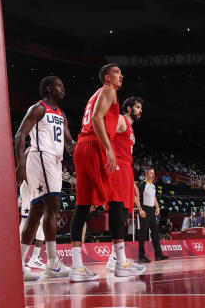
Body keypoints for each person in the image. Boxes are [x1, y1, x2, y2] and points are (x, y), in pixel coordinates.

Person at [69, 64, 143, 282]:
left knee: (82, 206)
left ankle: (77, 267)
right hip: (94, 146)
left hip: (82, 146)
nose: (122, 75)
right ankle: (119, 261)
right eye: (118, 72)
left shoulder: (95, 95)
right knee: (116, 202)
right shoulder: (108, 90)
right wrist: (109, 148)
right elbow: (96, 120)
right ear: (107, 77)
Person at [14, 76, 75, 281]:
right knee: (53, 206)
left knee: (37, 211)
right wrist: (20, 167)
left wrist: (82, 149)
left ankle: (18, 264)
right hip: (41, 156)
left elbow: (68, 142)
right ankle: (52, 263)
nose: (63, 89)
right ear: (49, 88)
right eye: (60, 85)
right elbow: (20, 135)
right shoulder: (38, 108)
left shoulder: (61, 114)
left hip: (54, 161)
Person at [107, 97, 147, 270]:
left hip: (126, 170)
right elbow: (107, 137)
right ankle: (117, 259)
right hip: (116, 166)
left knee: (124, 214)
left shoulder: (131, 130)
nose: (140, 110)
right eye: (137, 107)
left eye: (141, 108)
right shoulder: (121, 120)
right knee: (118, 212)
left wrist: (132, 183)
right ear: (129, 108)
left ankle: (114, 257)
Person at [136, 167, 168, 262]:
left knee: (155, 233)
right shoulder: (142, 184)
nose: (152, 175)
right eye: (150, 173)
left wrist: (157, 207)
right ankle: (141, 256)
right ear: (146, 175)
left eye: (153, 173)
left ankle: (158, 255)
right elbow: (135, 197)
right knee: (143, 234)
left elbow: (153, 198)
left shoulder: (153, 185)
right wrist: (140, 210)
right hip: (144, 210)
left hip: (151, 211)